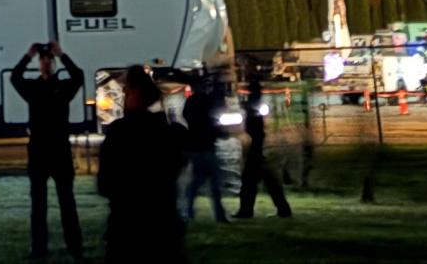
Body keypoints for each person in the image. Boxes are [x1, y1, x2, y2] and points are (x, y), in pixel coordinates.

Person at [96, 66, 188, 264]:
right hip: (163, 224)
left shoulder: (119, 133)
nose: (123, 94)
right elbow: (178, 163)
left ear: (135, 93)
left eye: (127, 90)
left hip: (126, 225)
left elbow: (105, 184)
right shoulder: (167, 131)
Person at [10, 39, 87, 258]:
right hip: (39, 151)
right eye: (43, 61)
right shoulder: (33, 88)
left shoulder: (63, 87)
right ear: (39, 64)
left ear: (54, 64)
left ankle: (75, 246)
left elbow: (78, 76)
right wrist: (28, 55)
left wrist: (62, 54)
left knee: (67, 202)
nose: (45, 64)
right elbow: (15, 77)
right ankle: (39, 248)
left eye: (49, 60)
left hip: (59, 150)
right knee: (38, 204)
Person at [234, 78, 292, 220]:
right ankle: (283, 210)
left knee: (250, 183)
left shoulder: (254, 104)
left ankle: (246, 211)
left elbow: (254, 126)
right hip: (261, 149)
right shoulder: (258, 103)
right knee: (270, 183)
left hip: (257, 149)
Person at [178, 75, 227, 223]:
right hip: (204, 146)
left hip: (196, 146)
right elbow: (212, 114)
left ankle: (190, 211)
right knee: (210, 181)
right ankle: (217, 215)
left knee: (199, 180)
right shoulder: (202, 101)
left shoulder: (191, 102)